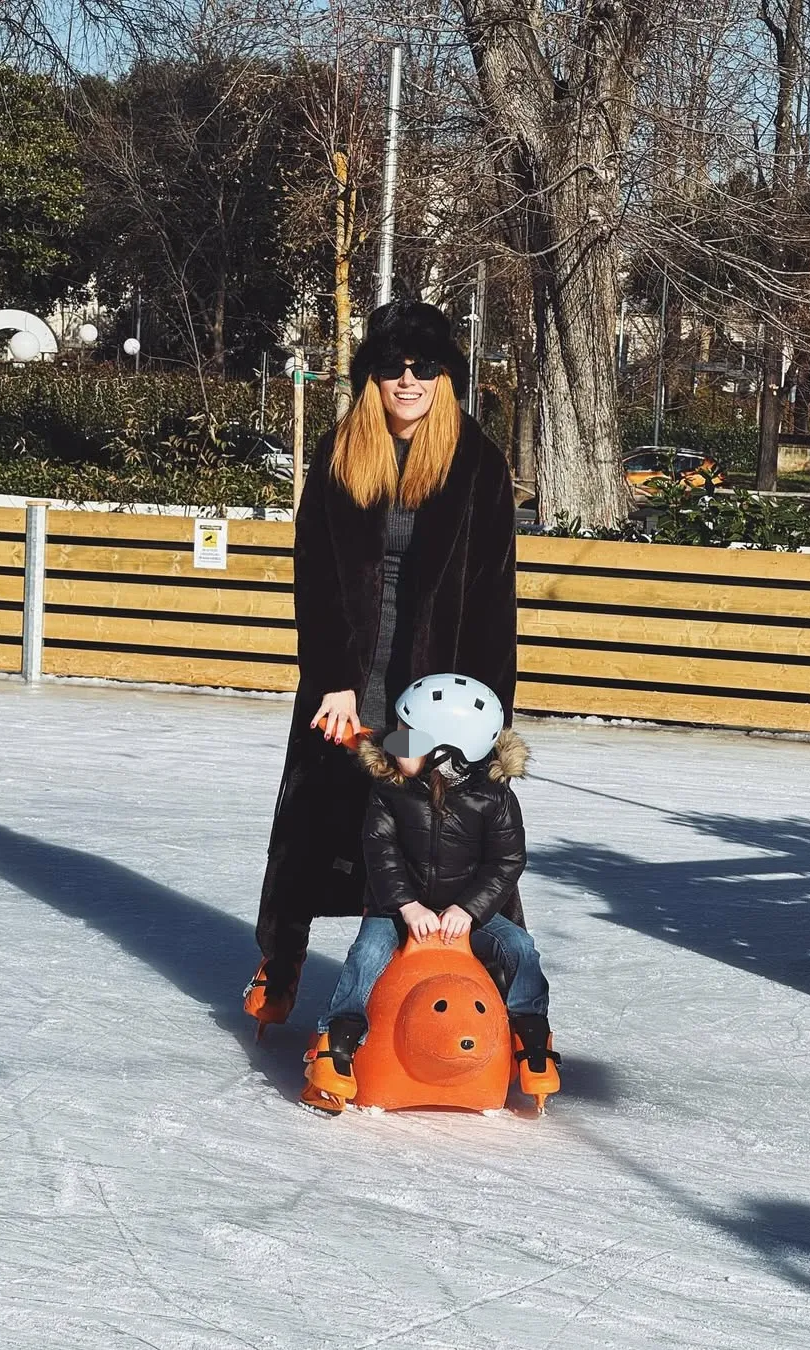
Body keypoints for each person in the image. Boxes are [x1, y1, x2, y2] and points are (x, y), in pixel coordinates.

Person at [246, 301, 521, 1031]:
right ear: (372, 376)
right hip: (353, 679)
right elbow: (314, 575)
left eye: (424, 367)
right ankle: (282, 962)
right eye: (394, 367)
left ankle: (508, 999)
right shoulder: (342, 453)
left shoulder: (477, 463)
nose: (409, 381)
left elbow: (495, 597)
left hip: (436, 687)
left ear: (446, 377)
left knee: (445, 827)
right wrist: (332, 675)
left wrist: (485, 715)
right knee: (316, 820)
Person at [300, 673, 559, 1116]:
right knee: (366, 954)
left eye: (407, 738)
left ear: (447, 754)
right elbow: (379, 850)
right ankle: (336, 1043)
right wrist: (406, 904)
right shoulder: (389, 788)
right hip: (395, 906)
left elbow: (507, 862)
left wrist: (469, 910)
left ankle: (531, 1037)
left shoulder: (493, 797)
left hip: (465, 910)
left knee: (520, 947)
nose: (395, 744)